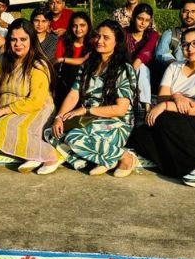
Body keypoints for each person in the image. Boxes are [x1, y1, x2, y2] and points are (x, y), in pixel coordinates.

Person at [131, 26, 195, 187]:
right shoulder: (174, 67)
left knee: (164, 117)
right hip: (181, 124)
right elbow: (163, 97)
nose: (190, 48)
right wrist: (177, 97)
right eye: (185, 44)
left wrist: (166, 105)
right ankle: (181, 169)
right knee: (141, 134)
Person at [46, 19, 137, 177]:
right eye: (97, 36)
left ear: (117, 42)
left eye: (106, 37)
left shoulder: (123, 69)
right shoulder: (88, 65)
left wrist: (86, 109)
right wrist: (59, 117)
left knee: (73, 137)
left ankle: (125, 157)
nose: (99, 41)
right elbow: (73, 94)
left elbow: (120, 109)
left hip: (116, 122)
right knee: (50, 132)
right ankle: (103, 160)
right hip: (89, 119)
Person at [0, 19, 63, 174]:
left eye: (23, 39)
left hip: (35, 108)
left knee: (2, 127)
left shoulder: (38, 65)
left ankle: (50, 155)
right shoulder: (1, 61)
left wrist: (2, 111)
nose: (18, 44)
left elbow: (36, 101)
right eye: (13, 39)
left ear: (31, 40)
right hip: (4, 109)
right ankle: (29, 153)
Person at [124, 4, 160, 116]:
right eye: (140, 19)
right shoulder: (124, 32)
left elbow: (146, 53)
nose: (143, 23)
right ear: (134, 17)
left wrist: (132, 69)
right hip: (125, 68)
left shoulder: (152, 35)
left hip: (145, 73)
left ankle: (146, 107)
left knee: (142, 68)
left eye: (147, 20)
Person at [53, 11, 93, 106]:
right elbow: (56, 62)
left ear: (88, 26)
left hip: (87, 83)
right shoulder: (64, 41)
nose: (78, 29)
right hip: (66, 84)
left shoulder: (94, 43)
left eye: (82, 25)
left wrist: (63, 59)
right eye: (74, 26)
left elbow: (83, 61)